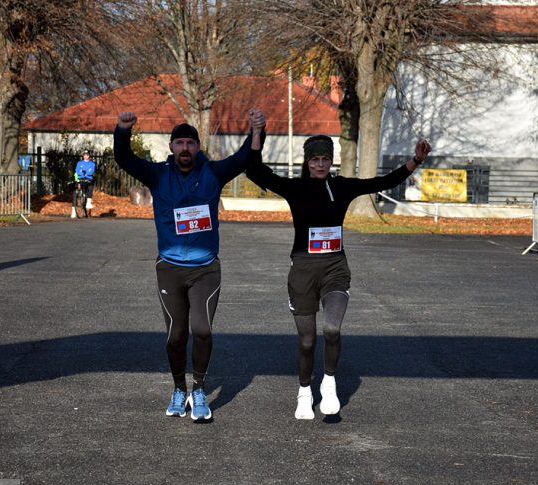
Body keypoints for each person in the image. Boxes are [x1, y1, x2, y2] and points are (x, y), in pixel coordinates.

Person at [246, 115, 431, 420]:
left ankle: (328, 384)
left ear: (331, 161)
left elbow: (382, 182)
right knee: (307, 341)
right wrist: (256, 132)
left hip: (335, 267)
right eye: (315, 159)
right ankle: (304, 393)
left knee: (332, 329)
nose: (320, 165)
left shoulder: (342, 187)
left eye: (325, 159)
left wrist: (416, 161)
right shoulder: (295, 189)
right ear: (307, 162)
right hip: (303, 270)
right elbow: (255, 170)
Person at [114, 110, 266, 421]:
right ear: (171, 147)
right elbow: (125, 159)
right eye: (179, 143)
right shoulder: (157, 175)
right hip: (169, 268)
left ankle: (198, 389)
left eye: (190, 143)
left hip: (205, 269)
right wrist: (122, 130)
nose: (185, 148)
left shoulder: (213, 173)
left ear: (198, 147)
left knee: (203, 330)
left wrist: (256, 130)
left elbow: (244, 159)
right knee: (176, 335)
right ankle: (178, 388)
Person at [72, 150, 95, 217]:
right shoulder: (79, 163)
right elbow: (77, 171)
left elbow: (91, 172)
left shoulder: (92, 164)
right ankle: (73, 210)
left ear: (89, 156)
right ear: (83, 156)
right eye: (85, 155)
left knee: (90, 187)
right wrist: (85, 172)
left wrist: (83, 171)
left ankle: (88, 202)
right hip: (80, 179)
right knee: (75, 192)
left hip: (88, 179)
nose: (86, 156)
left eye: (87, 155)